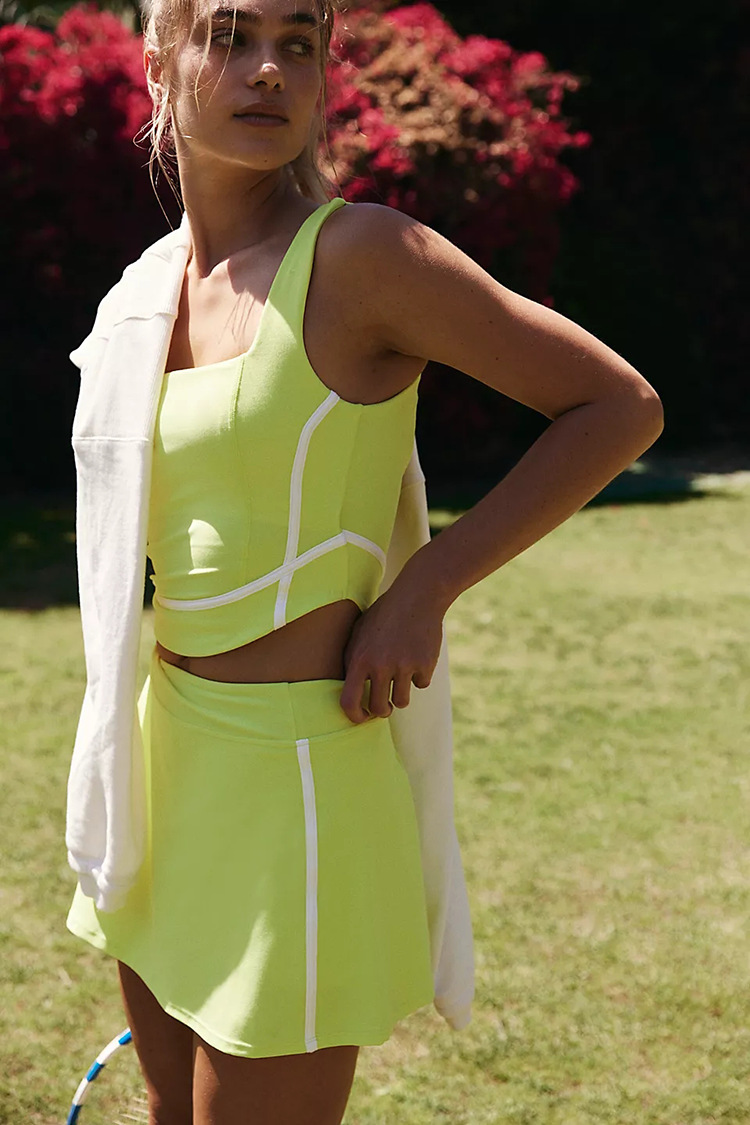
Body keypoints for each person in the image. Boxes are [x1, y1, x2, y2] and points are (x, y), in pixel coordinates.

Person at [62, 0, 664, 1121]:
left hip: (298, 787)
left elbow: (617, 406)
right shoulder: (149, 288)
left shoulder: (363, 256)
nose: (268, 70)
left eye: (298, 43)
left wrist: (427, 583)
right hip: (164, 760)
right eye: (229, 35)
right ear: (158, 58)